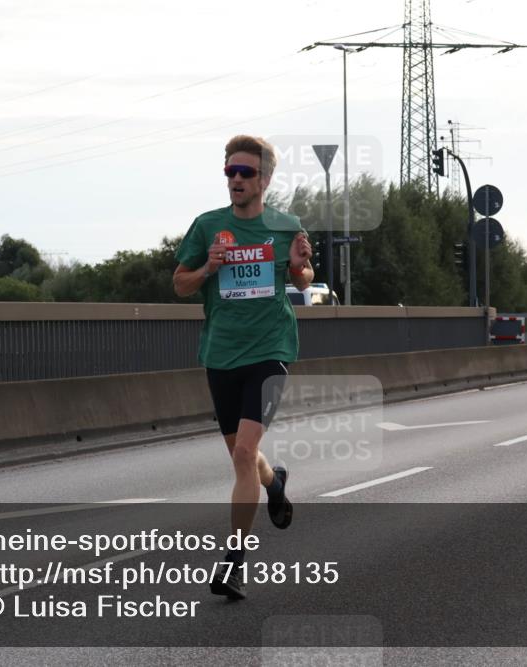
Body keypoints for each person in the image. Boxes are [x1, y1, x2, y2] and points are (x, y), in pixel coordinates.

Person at [172, 135, 314, 600]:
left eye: (245, 172)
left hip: (270, 351)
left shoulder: (285, 225)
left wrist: (299, 268)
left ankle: (234, 562)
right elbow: (180, 285)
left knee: (241, 453)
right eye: (230, 172)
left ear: (264, 180)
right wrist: (208, 269)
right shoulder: (208, 227)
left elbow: (302, 278)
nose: (236, 179)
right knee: (245, 456)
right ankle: (275, 484)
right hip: (220, 353)